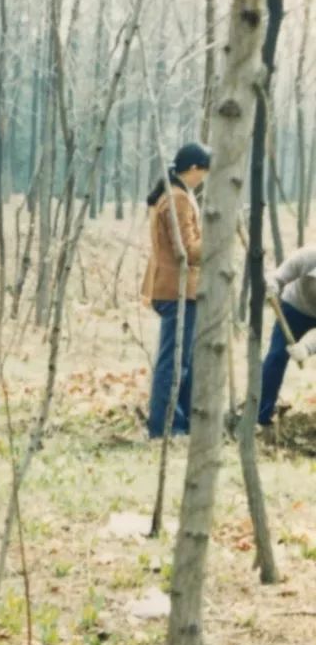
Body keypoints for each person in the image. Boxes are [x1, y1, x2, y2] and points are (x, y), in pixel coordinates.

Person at [141, 142, 212, 438]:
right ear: (193, 169)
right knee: (173, 363)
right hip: (176, 290)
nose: (205, 178)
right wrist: (217, 235)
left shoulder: (176, 194)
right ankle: (164, 427)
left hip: (175, 288)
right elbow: (189, 251)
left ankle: (179, 423)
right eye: (204, 172)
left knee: (181, 361)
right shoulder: (178, 199)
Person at [257, 246, 316, 425]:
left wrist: (307, 347)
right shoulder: (308, 256)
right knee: (276, 356)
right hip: (294, 307)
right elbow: (277, 276)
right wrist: (272, 287)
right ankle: (262, 415)